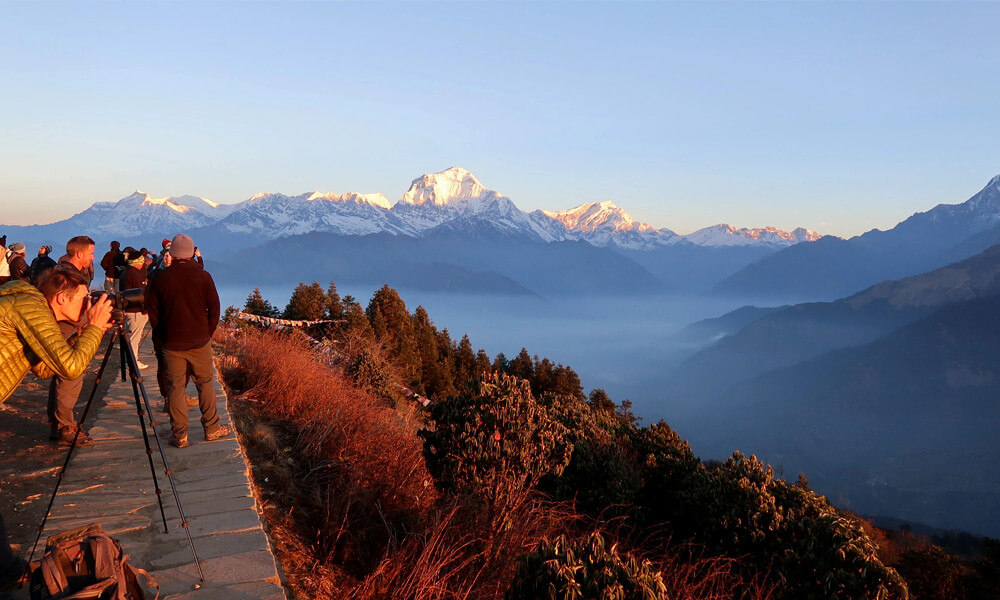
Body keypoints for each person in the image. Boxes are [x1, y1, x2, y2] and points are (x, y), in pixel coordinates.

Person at [0, 269, 113, 590]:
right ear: (61, 298)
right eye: (83, 297)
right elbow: (71, 367)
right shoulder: (29, 306)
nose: (88, 301)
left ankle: (7, 569)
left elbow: (45, 367)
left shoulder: (34, 309)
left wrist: (83, 330)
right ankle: (6, 570)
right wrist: (92, 327)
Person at [145, 234, 229, 448]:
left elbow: (152, 312)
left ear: (171, 253)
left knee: (175, 388)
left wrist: (162, 334)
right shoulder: (203, 276)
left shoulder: (160, 279)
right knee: (205, 384)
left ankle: (180, 435)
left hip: (171, 342)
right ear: (192, 252)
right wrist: (207, 333)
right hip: (199, 340)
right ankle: (211, 429)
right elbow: (215, 308)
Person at [48, 236, 97, 445]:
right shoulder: (66, 276)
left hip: (68, 332)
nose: (93, 257)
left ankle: (58, 424)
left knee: (63, 379)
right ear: (79, 254)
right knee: (70, 377)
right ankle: (65, 427)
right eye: (91, 253)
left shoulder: (68, 271)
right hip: (67, 334)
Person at [119, 249, 149, 370]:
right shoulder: (134, 275)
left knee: (132, 337)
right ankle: (133, 362)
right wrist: (145, 309)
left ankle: (131, 360)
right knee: (134, 338)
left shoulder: (126, 273)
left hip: (129, 309)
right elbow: (139, 294)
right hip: (136, 310)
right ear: (137, 262)